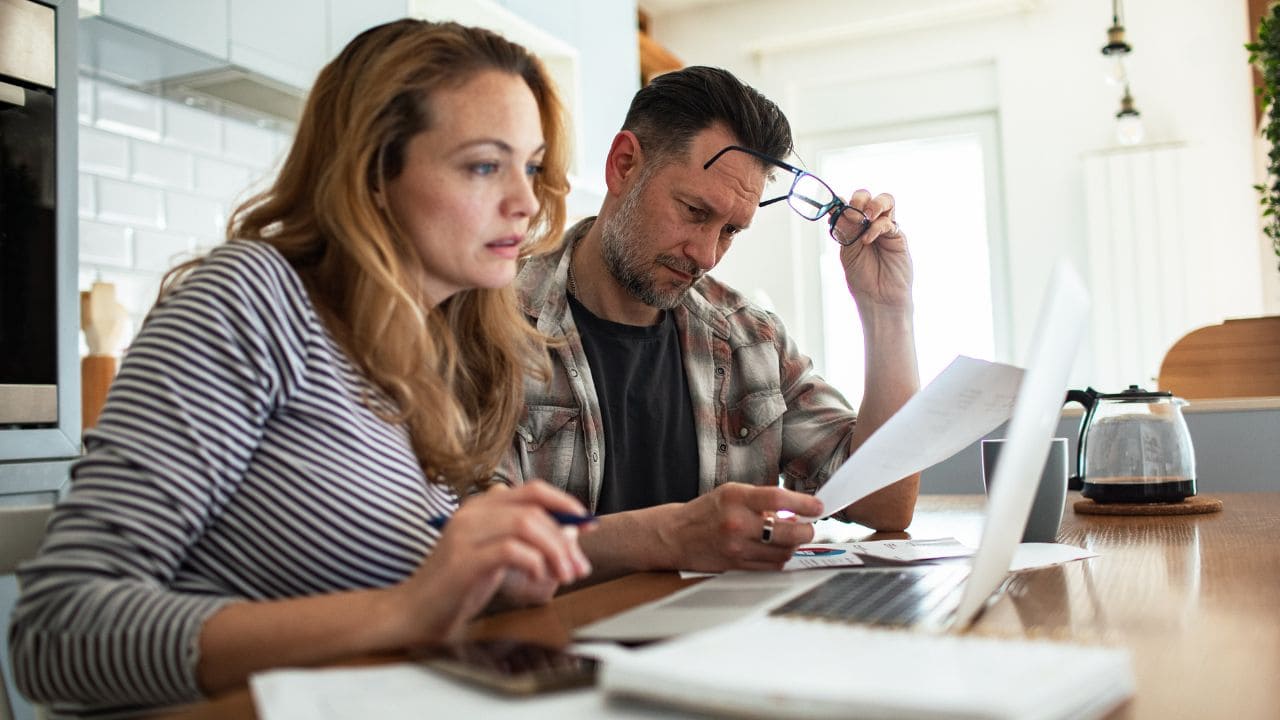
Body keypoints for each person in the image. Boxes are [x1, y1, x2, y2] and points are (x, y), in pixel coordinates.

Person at [8, 20, 593, 715]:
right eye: (483, 165)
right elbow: (55, 633)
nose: (526, 202)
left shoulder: (428, 352)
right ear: (375, 172)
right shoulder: (253, 299)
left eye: (529, 166)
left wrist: (488, 579)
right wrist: (406, 610)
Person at [499, 66, 920, 577]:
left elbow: (883, 504)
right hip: (558, 643)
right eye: (695, 211)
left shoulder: (751, 338)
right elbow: (468, 540)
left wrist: (887, 312)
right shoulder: (491, 323)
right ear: (624, 164)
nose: (706, 254)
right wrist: (672, 537)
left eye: (731, 231)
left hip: (724, 644)